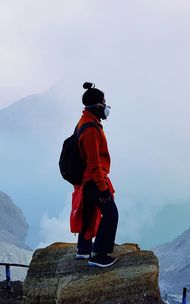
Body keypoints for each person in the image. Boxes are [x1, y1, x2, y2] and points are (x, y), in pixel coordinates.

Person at [70, 82, 118, 268]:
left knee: (89, 213)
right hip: (92, 180)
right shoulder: (90, 129)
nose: (106, 107)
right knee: (111, 214)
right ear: (98, 106)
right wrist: (103, 187)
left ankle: (83, 250)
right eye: (104, 103)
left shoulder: (86, 121)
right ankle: (99, 255)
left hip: (86, 180)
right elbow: (94, 163)